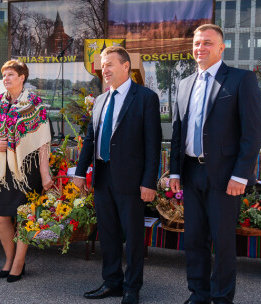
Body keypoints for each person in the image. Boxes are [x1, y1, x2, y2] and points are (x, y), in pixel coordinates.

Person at [169, 24, 261, 304]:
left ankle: (222, 298)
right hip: (191, 171)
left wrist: (240, 175)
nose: (201, 48)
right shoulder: (184, 84)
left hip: (225, 176)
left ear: (222, 48)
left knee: (222, 243)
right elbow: (177, 132)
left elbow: (253, 133)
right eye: (197, 43)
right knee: (195, 239)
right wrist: (174, 171)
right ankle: (198, 294)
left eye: (208, 43)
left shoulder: (240, 80)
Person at [73, 46, 161, 304]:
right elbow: (90, 139)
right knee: (108, 233)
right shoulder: (100, 100)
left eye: (110, 64)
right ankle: (112, 282)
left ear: (126, 67)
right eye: (103, 65)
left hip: (132, 182)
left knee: (133, 236)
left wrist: (149, 181)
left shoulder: (145, 97)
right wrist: (80, 171)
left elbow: (153, 144)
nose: (105, 70)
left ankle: (132, 288)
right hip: (103, 177)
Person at [0, 59, 53, 283]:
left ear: (22, 78)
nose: (6, 79)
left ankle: (18, 262)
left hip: (27, 170)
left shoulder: (35, 104)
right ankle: (9, 258)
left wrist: (45, 173)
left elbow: (43, 142)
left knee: (24, 216)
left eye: (10, 75)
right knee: (0, 217)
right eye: (4, 75)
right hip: (2, 170)